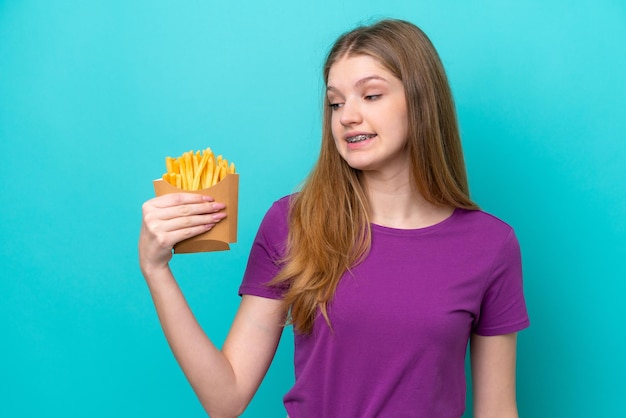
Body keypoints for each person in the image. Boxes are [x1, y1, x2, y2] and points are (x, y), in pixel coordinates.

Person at [139, 18, 529, 418]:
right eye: (336, 102)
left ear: (422, 100)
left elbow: (497, 409)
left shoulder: (490, 246)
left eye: (371, 95)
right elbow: (225, 398)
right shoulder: (293, 222)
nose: (347, 117)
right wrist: (156, 270)